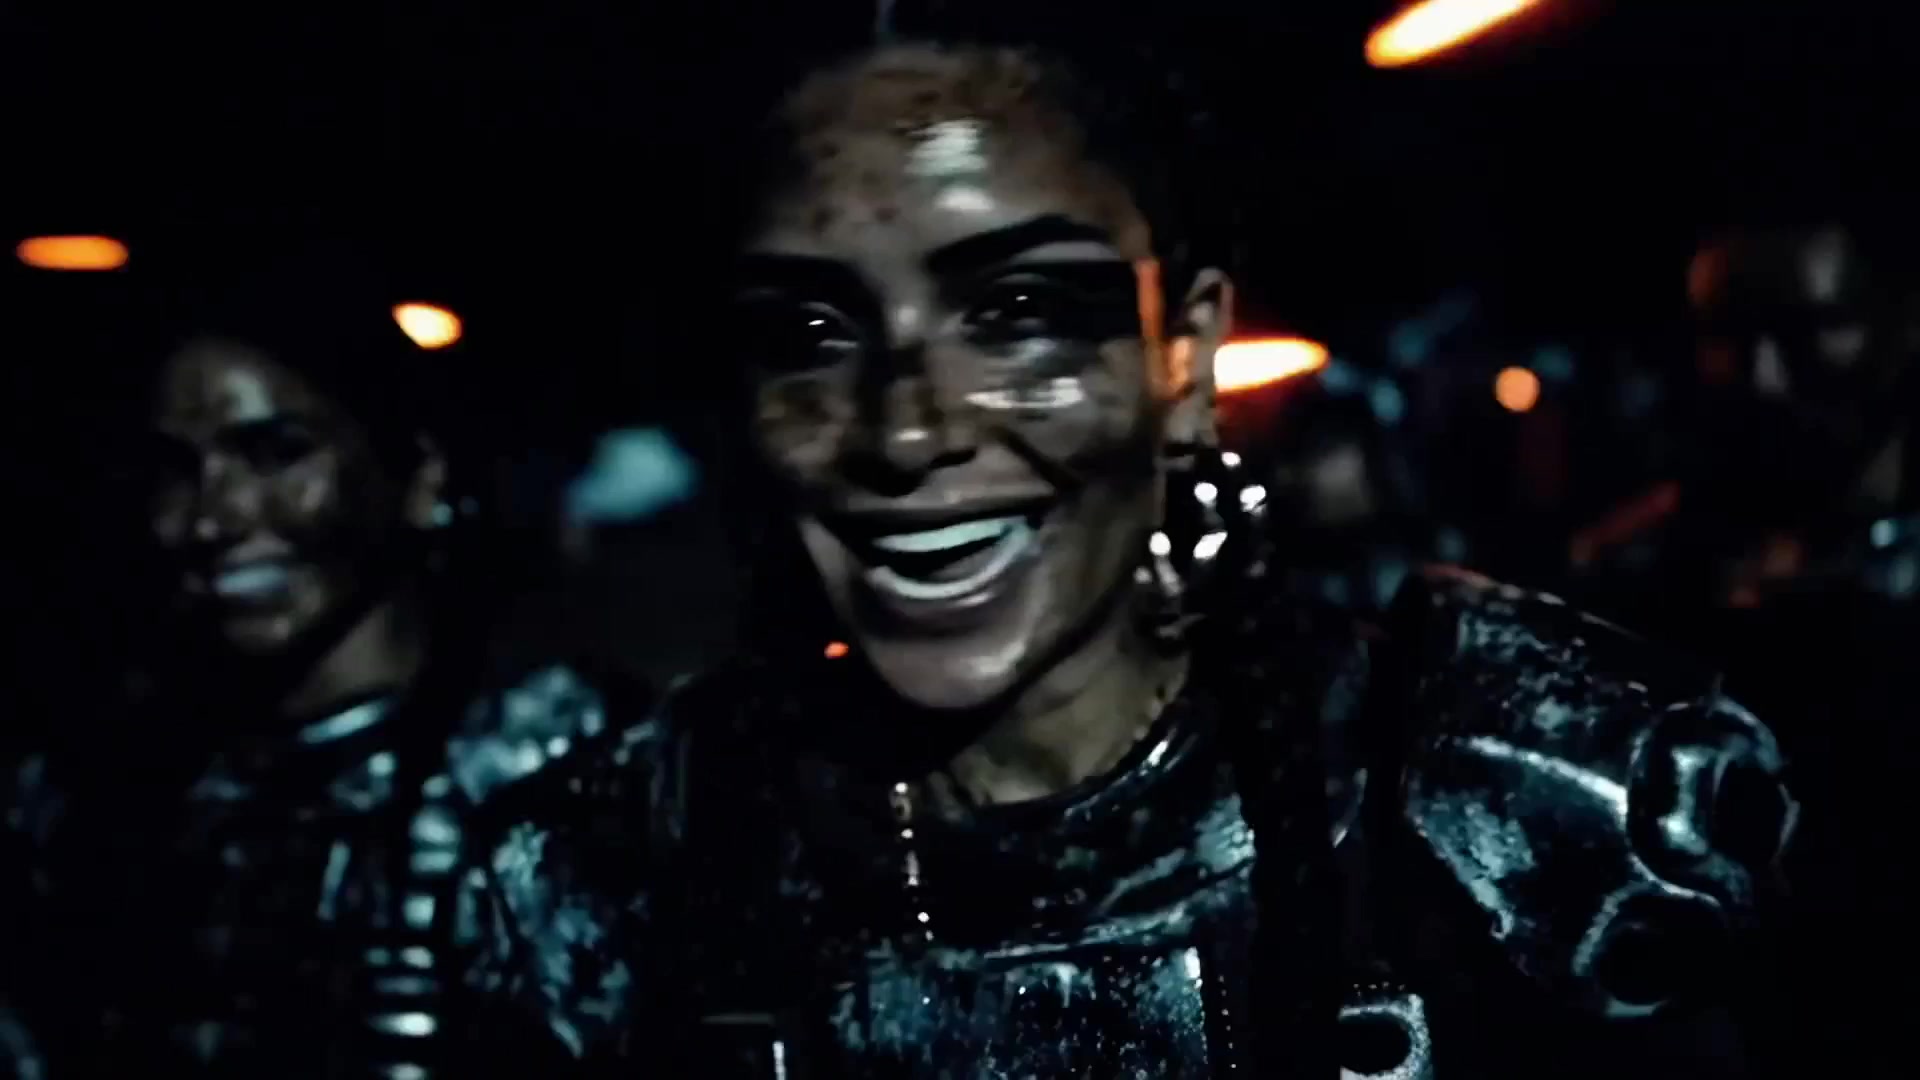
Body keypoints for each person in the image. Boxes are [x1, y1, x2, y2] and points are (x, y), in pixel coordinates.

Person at [459, 24, 1797, 1080]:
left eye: (1019, 308)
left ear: (1186, 356)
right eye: (811, 335)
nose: (907, 428)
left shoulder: (1522, 813)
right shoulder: (609, 876)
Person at [0, 262, 639, 1079]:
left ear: (419, 475)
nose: (212, 518)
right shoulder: (93, 793)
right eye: (174, 470)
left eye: (276, 454)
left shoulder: (566, 756)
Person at [1569, 219, 1916, 1077]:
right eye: (1729, 335)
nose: (1760, 376)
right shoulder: (1647, 557)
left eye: (1808, 331)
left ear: (1899, 321)